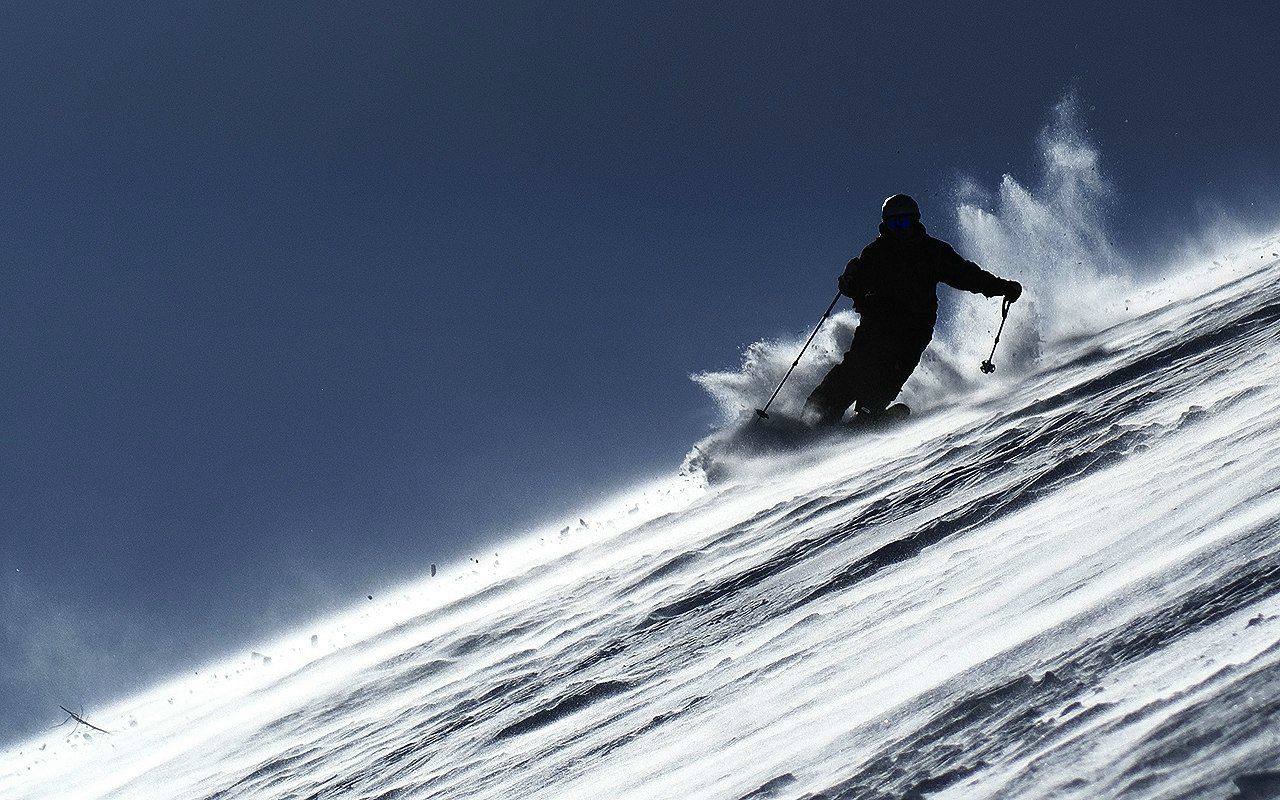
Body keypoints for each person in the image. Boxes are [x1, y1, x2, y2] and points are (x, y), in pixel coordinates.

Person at [804, 194, 1022, 426]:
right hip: (877, 325)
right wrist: (849, 280)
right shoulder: (875, 253)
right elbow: (856, 286)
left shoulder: (931, 252)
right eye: (894, 224)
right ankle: (816, 416)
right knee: (855, 369)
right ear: (885, 224)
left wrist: (1001, 287)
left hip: (913, 328)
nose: (900, 230)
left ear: (915, 221)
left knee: (890, 372)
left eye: (905, 223)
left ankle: (868, 414)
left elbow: (966, 275)